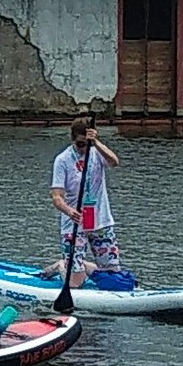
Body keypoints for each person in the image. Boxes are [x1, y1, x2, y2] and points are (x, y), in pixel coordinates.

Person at [47, 116, 124, 284]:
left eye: (87, 144)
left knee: (113, 277)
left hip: (100, 221)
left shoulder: (97, 152)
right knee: (76, 283)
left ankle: (82, 266)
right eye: (81, 144)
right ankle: (63, 266)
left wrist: (95, 143)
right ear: (73, 139)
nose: (84, 148)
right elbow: (57, 196)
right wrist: (69, 211)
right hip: (74, 223)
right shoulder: (63, 160)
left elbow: (114, 162)